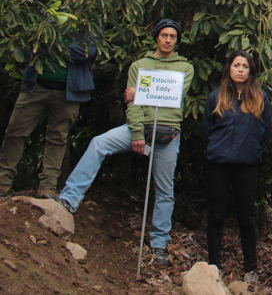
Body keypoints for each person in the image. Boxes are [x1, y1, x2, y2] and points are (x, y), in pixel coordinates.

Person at [50, 18, 194, 266]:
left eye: (172, 36)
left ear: (177, 40)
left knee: (165, 190)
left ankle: (159, 245)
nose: (168, 40)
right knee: (99, 143)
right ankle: (70, 199)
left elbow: (172, 98)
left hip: (168, 133)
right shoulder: (140, 65)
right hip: (138, 127)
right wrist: (137, 133)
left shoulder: (185, 67)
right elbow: (134, 104)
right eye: (164, 35)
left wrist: (140, 92)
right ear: (157, 38)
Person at [201, 49, 272, 287]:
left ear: (251, 71)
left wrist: (251, 151)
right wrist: (215, 150)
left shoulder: (260, 97)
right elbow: (207, 130)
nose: (240, 69)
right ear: (229, 69)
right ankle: (214, 265)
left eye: (244, 66)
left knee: (246, 218)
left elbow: (266, 132)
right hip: (217, 164)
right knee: (216, 215)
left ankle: (250, 269)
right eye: (236, 65)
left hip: (246, 165)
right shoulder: (216, 97)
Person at [0, 26, 96, 196]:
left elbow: (87, 53)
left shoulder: (86, 23)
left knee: (58, 137)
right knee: (15, 132)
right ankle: (3, 182)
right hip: (35, 88)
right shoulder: (45, 18)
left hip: (69, 92)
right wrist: (60, 47)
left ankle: (47, 186)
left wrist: (52, 45)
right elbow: (29, 43)